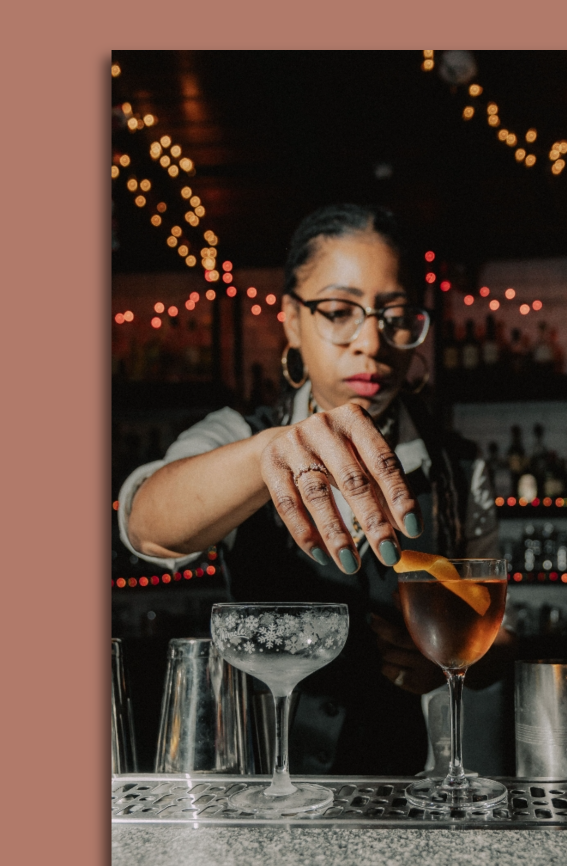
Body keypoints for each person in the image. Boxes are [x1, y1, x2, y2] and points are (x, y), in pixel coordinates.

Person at [121, 204, 507, 775]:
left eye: (394, 315)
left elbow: (496, 625)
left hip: (396, 796)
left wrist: (453, 662)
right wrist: (267, 453)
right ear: (292, 321)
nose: (371, 342)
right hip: (261, 786)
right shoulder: (240, 435)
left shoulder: (457, 467)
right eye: (338, 310)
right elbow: (145, 526)